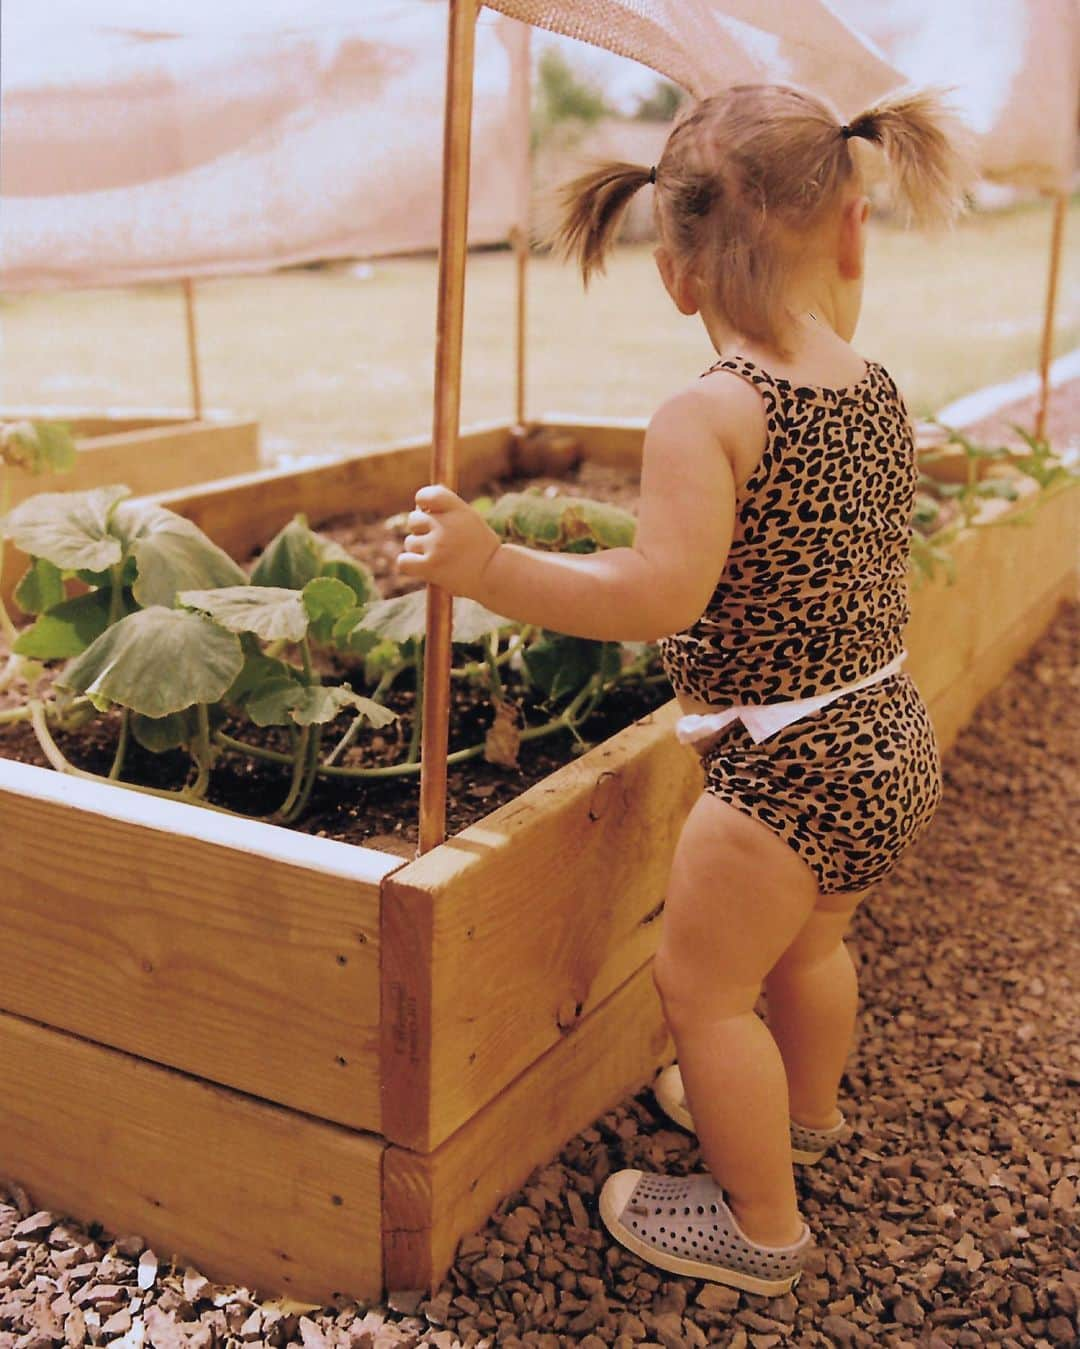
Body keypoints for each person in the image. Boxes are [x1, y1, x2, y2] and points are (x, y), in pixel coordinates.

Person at [397, 83, 973, 1296]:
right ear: (852, 231)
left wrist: (489, 563)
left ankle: (760, 1224)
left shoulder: (707, 414)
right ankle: (802, 1115)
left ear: (674, 271)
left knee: (703, 992)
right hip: (884, 736)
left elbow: (657, 594)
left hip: (784, 768)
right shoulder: (873, 388)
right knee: (813, 947)